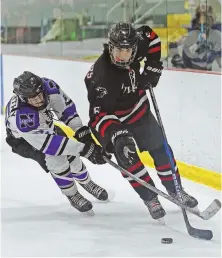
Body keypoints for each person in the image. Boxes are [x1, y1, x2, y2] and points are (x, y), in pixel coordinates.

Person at [84, 22, 198, 221]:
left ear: (134, 48)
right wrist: (116, 136)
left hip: (139, 111)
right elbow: (97, 115)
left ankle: (175, 190)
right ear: (110, 47)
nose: (123, 56)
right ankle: (150, 198)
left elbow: (152, 37)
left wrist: (153, 68)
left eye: (128, 51)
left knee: (161, 150)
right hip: (113, 119)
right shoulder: (101, 77)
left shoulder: (139, 40)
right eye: (118, 51)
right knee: (128, 158)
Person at [5, 71, 110, 214]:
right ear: (24, 98)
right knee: (56, 160)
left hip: (47, 128)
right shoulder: (21, 116)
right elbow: (50, 145)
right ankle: (72, 194)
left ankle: (87, 183)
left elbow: (65, 109)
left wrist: (81, 131)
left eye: (39, 94)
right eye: (32, 99)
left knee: (73, 158)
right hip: (25, 141)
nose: (39, 100)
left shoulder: (48, 87)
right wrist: (85, 149)